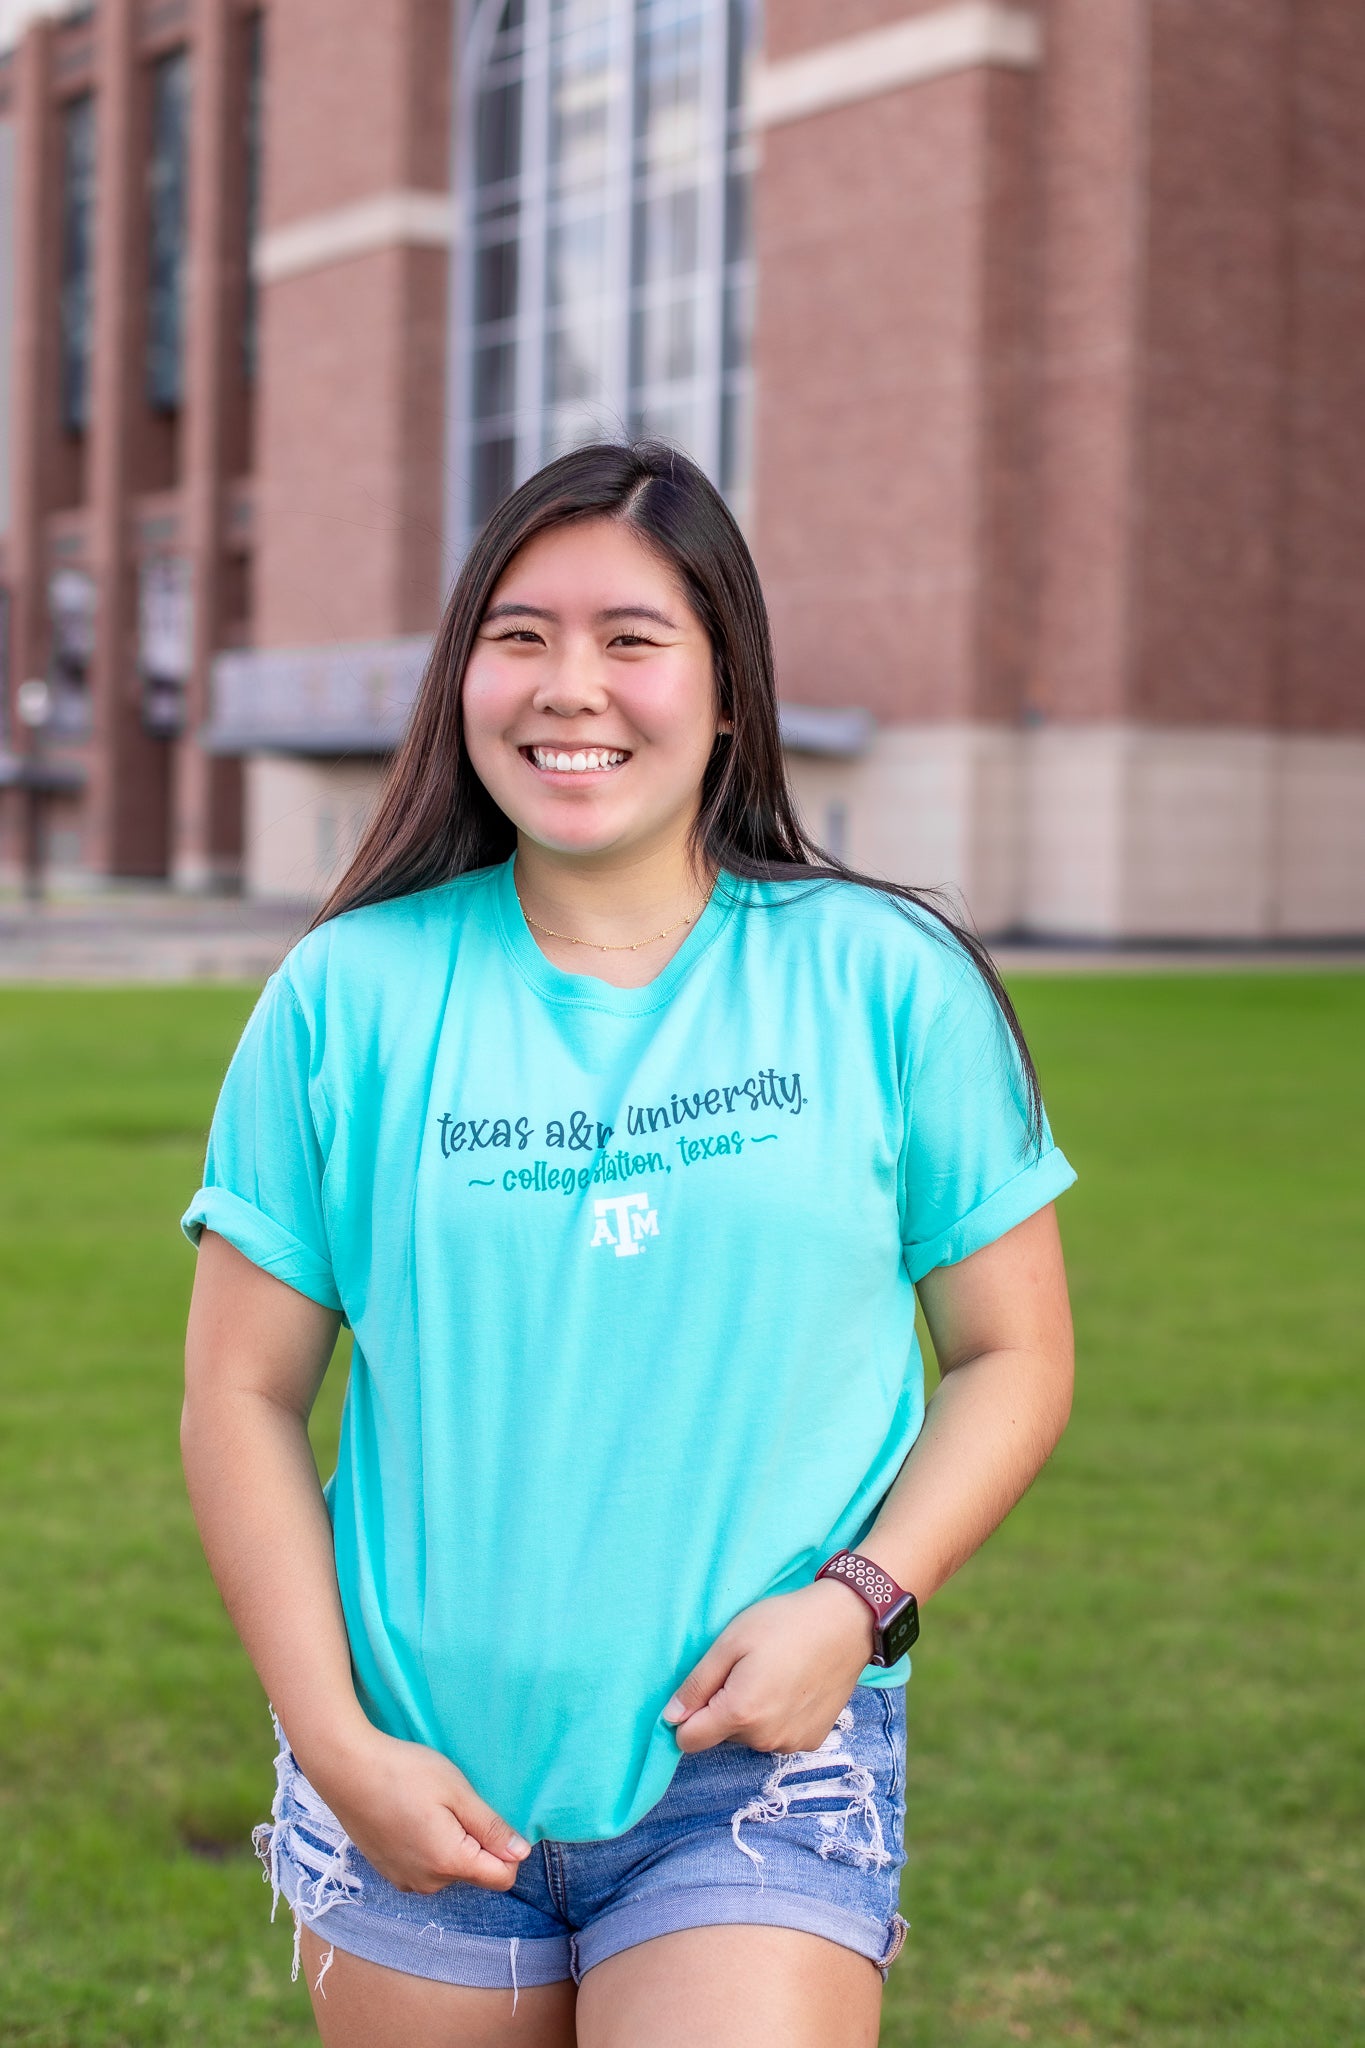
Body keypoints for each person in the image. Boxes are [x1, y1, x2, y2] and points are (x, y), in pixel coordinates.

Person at [180, 439, 1076, 2048]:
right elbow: (240, 1399)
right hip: (412, 1769)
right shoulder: (345, 999)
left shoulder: (886, 980)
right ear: (462, 679)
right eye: (516, 637)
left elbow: (1013, 1356)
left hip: (751, 1780)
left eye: (631, 639)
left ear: (729, 691)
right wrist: (333, 1741)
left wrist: (860, 1599)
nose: (565, 687)